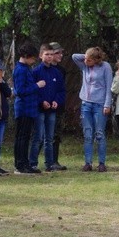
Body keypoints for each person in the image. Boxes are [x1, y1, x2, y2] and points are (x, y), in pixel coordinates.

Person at [73, 47, 113, 172]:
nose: (86, 62)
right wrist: (87, 55)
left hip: (99, 104)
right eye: (85, 59)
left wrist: (107, 104)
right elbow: (74, 56)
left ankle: (101, 163)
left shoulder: (105, 67)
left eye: (89, 60)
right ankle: (88, 162)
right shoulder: (84, 66)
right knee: (88, 134)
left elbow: (108, 86)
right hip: (86, 103)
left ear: (96, 60)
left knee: (99, 133)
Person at [30, 44, 66, 172]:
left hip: (52, 110)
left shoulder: (56, 72)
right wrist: (42, 101)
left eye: (51, 54)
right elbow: (33, 91)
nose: (50, 57)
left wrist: (56, 101)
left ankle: (49, 163)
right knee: (38, 137)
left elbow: (61, 91)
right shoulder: (35, 72)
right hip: (40, 109)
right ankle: (32, 163)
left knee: (49, 138)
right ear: (41, 56)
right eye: (47, 54)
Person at [12, 43, 47, 174]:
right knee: (22, 137)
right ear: (26, 56)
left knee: (25, 137)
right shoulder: (20, 70)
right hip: (24, 108)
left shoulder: (25, 68)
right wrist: (37, 85)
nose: (33, 61)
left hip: (29, 108)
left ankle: (24, 162)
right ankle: (20, 164)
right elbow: (20, 90)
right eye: (32, 58)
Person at [48, 42, 68, 170]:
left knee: (56, 134)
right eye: (57, 53)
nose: (60, 55)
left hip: (58, 106)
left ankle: (54, 160)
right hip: (44, 106)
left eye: (61, 53)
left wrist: (57, 100)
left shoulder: (62, 70)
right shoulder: (43, 69)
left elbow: (61, 89)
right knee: (42, 135)